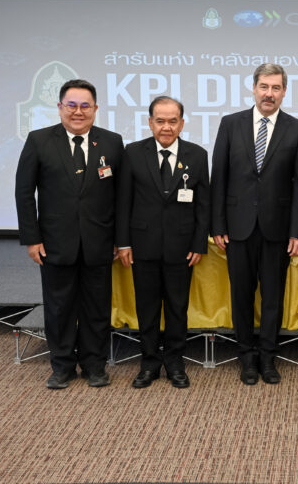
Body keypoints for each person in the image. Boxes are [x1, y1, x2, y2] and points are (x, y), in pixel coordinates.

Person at [15, 79, 123, 389]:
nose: (78, 112)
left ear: (95, 109)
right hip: (54, 242)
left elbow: (121, 195)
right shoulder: (39, 140)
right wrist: (32, 238)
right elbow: (24, 192)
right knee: (59, 307)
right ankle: (61, 365)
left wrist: (120, 238)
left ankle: (94, 365)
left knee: (97, 308)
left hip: (100, 242)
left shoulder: (112, 142)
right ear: (60, 107)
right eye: (71, 105)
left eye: (85, 106)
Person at [210, 63, 298, 385]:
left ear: (284, 92)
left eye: (276, 88)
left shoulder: (297, 129)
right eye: (264, 87)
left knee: (272, 297)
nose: (269, 94)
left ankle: (268, 357)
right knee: (241, 296)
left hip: (277, 230)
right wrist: (217, 225)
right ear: (254, 88)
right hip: (237, 228)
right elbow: (219, 177)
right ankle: (246, 357)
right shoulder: (230, 124)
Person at [116, 97, 209, 389]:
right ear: (150, 122)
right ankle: (149, 363)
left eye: (172, 121)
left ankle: (175, 362)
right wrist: (123, 243)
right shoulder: (133, 153)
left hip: (182, 247)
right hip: (142, 245)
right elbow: (123, 201)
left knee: (177, 307)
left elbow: (203, 205)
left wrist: (199, 243)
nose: (166, 127)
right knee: (147, 307)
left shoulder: (197, 155)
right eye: (160, 121)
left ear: (181, 123)